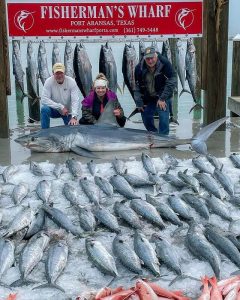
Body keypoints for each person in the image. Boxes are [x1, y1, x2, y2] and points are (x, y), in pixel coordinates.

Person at [134, 46, 177, 135]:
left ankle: (164, 138)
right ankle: (154, 134)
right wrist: (139, 102)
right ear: (144, 58)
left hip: (163, 95)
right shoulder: (139, 68)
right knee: (146, 117)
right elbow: (137, 86)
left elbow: (172, 80)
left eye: (152, 58)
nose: (150, 61)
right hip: (149, 97)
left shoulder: (165, 63)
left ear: (156, 56)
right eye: (147, 59)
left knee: (164, 119)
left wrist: (162, 98)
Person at [40, 62, 80, 129]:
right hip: (55, 110)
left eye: (61, 73)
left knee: (73, 129)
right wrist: (60, 107)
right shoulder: (48, 81)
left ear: (64, 72)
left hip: (68, 112)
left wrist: (74, 116)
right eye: (57, 73)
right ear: (53, 73)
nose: (59, 75)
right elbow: (44, 99)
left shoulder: (71, 82)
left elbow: (75, 100)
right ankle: (44, 132)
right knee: (44, 109)